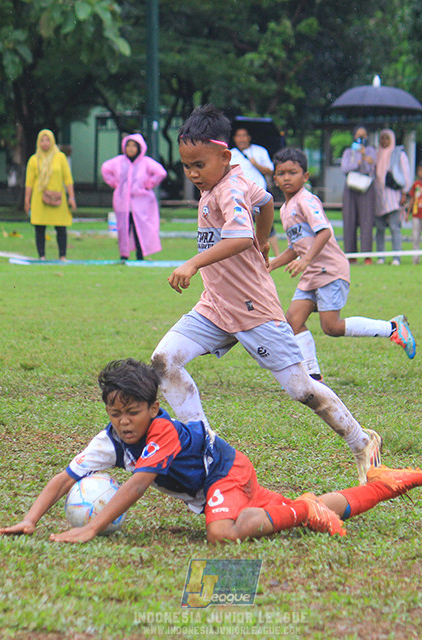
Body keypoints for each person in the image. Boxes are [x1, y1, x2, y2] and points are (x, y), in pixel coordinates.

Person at [151, 105, 386, 484]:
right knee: (164, 361)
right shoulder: (234, 180)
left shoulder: (229, 189)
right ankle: (205, 447)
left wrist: (195, 262)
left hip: (252, 309)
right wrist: (263, 239)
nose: (192, 173)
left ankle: (362, 442)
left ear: (224, 157)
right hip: (214, 306)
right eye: (186, 166)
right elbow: (265, 203)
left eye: (199, 165)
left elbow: (240, 237)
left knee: (302, 389)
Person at [0, 359, 422, 544]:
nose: (124, 422)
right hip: (216, 484)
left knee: (222, 533)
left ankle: (304, 508)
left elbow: (136, 485)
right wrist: (30, 518)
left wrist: (92, 528)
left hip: (225, 472)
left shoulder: (163, 432)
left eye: (132, 412)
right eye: (115, 414)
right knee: (295, 510)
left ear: (154, 407)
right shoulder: (110, 438)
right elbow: (64, 478)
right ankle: (385, 484)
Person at [268, 146, 416, 382]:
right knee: (293, 322)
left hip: (330, 270)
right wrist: (272, 265)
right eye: (281, 173)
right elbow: (295, 247)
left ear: (305, 176)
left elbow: (324, 232)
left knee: (332, 327)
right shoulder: (285, 209)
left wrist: (306, 260)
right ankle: (313, 377)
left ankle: (393, 329)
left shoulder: (306, 200)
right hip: (312, 273)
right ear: (275, 178)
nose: (287, 178)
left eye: (292, 172)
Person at [100, 133, 167, 261]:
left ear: (140, 148)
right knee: (123, 229)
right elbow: (105, 169)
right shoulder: (118, 162)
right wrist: (114, 183)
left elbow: (161, 172)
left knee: (140, 229)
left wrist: (149, 183)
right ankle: (124, 255)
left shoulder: (145, 162)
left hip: (141, 202)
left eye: (134, 146)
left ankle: (140, 254)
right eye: (128, 145)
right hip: (122, 202)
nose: (130, 149)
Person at [24, 129, 76, 260]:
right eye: (42, 140)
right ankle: (41, 256)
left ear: (52, 141)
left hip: (58, 197)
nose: (45, 143)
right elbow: (29, 182)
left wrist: (71, 196)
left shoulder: (60, 158)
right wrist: (27, 200)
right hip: (39, 198)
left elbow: (67, 178)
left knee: (61, 227)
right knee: (39, 228)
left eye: (48, 140)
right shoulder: (34, 160)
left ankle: (62, 256)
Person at [229, 126, 280, 257]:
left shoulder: (259, 151)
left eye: (244, 136)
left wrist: (256, 164)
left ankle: (277, 255)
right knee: (242, 226)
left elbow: (271, 170)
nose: (241, 139)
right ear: (234, 139)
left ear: (249, 138)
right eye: (238, 136)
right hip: (239, 196)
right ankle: (246, 256)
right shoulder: (230, 154)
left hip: (259, 194)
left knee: (268, 226)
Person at [340, 126, 378, 263]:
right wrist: (357, 162)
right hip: (351, 187)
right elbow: (344, 168)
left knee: (366, 221)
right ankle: (351, 256)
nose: (361, 138)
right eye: (358, 135)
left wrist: (364, 156)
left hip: (366, 187)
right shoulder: (348, 152)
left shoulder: (371, 151)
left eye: (364, 135)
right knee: (349, 221)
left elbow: (371, 170)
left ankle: (367, 255)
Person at [374, 129, 411, 266]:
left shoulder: (398, 155)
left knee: (394, 227)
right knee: (380, 228)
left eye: (387, 138)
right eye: (382, 138)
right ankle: (380, 256)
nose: (384, 141)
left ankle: (396, 257)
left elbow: (406, 174)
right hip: (379, 197)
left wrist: (404, 192)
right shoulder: (377, 154)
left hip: (394, 196)